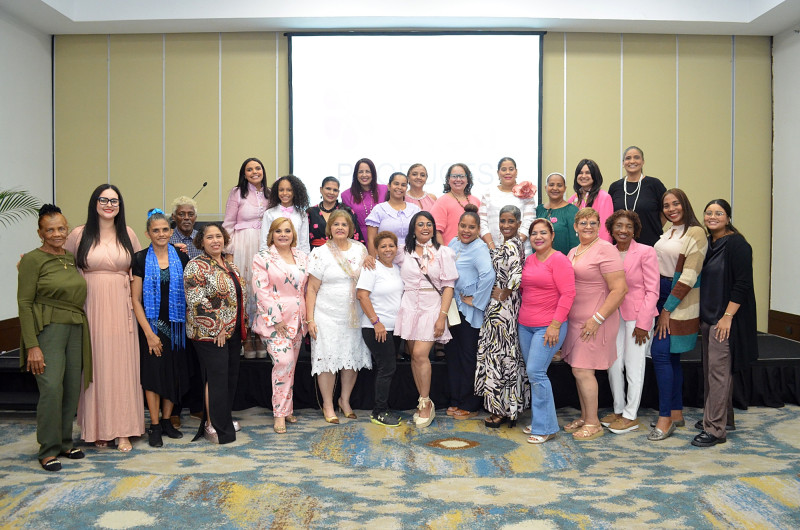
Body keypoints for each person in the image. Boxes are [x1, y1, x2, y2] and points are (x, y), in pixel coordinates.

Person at [65, 184, 142, 452]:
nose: (109, 205)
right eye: (104, 200)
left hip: (122, 307)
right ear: (94, 202)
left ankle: (123, 430)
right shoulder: (79, 234)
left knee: (122, 365)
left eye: (114, 201)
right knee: (96, 365)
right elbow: (62, 264)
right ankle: (98, 427)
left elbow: (140, 268)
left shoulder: (128, 234)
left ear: (120, 206)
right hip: (91, 306)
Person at [18, 205, 91, 471]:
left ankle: (64, 442)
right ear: (40, 233)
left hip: (75, 327)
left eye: (61, 228)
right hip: (48, 329)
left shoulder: (69, 258)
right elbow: (25, 303)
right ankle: (48, 450)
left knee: (71, 387)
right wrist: (32, 346)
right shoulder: (32, 259)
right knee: (50, 388)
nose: (57, 234)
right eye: (50, 230)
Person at [693, 199, 758, 447]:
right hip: (709, 317)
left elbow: (743, 284)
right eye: (708, 212)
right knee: (712, 372)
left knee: (718, 373)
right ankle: (724, 418)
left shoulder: (738, 244)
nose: (712, 217)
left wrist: (727, 317)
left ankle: (715, 429)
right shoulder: (709, 243)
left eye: (718, 213)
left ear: (728, 218)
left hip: (726, 320)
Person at [561, 207, 628, 441]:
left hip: (596, 320)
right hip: (576, 320)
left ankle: (593, 423)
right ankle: (585, 416)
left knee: (583, 370)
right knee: (579, 370)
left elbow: (620, 289)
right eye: (583, 223)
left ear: (599, 226)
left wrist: (597, 319)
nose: (588, 227)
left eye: (593, 223)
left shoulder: (606, 249)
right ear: (575, 226)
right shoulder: (574, 250)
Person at [650, 189, 707, 441]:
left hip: (676, 299)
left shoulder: (695, 233)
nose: (671, 209)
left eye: (676, 204)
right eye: (666, 205)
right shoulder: (669, 231)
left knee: (661, 355)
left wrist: (667, 309)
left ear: (685, 204)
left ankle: (664, 419)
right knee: (672, 358)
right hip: (660, 293)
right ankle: (676, 412)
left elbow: (689, 276)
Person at [131, 209, 190, 447]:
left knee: (173, 375)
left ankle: (167, 421)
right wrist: (149, 334)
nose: (161, 234)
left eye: (165, 229)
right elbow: (135, 300)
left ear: (171, 231)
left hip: (176, 329)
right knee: (153, 376)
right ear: (148, 233)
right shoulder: (139, 259)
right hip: (152, 327)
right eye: (156, 230)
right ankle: (154, 425)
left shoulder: (181, 257)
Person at [306, 210, 371, 423]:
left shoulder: (360, 250)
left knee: (350, 358)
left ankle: (345, 400)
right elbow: (311, 289)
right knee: (327, 360)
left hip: (354, 315)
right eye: (336, 224)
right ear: (330, 228)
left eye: (344, 224)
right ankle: (328, 404)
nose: (340, 228)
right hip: (326, 316)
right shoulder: (320, 253)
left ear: (350, 228)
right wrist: (310, 319)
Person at [394, 211, 458, 427]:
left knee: (421, 354)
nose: (425, 228)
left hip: (432, 307)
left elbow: (448, 286)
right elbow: (383, 259)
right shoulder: (403, 251)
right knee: (414, 356)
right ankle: (422, 400)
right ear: (413, 228)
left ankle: (426, 403)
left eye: (429, 224)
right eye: (420, 224)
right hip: (409, 306)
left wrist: (442, 317)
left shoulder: (443, 252)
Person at [184, 223, 247, 444]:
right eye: (209, 237)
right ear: (201, 242)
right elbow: (196, 301)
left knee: (229, 377)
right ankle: (213, 425)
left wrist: (239, 324)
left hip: (232, 331)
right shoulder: (196, 266)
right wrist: (218, 326)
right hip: (209, 332)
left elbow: (237, 297)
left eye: (218, 236)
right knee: (217, 377)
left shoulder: (229, 265)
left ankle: (222, 418)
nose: (215, 241)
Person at [600, 211, 659, 435]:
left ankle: (630, 415)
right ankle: (618, 410)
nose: (623, 230)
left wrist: (644, 323)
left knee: (635, 367)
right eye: (618, 226)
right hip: (614, 316)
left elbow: (652, 291)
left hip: (638, 317)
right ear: (611, 229)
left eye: (628, 226)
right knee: (614, 365)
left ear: (635, 230)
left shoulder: (646, 252)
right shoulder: (608, 253)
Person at [518, 218, 576, 444]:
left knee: (536, 372)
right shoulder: (529, 260)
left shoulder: (559, 260)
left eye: (543, 232)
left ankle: (546, 428)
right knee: (534, 374)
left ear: (552, 236)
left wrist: (555, 325)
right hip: (525, 326)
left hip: (549, 326)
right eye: (534, 233)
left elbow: (568, 294)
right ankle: (541, 420)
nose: (538, 237)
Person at [475, 205, 530, 428]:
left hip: (502, 310)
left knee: (499, 357)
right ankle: (509, 407)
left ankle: (499, 411)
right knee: (506, 355)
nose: (506, 225)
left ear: (519, 224)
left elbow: (517, 276)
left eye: (510, 221)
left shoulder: (511, 245)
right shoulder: (511, 244)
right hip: (505, 308)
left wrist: (505, 292)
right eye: (503, 221)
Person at [252, 218, 308, 434]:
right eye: (278, 231)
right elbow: (261, 291)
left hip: (298, 319)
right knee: (283, 363)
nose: (283, 234)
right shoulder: (262, 257)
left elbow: (305, 289)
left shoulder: (302, 257)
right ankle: (279, 414)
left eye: (287, 231)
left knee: (290, 366)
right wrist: (276, 319)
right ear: (271, 235)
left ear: (293, 234)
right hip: (274, 322)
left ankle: (287, 409)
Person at [446, 205, 495, 420]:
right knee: (453, 355)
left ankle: (470, 403)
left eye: (471, 227)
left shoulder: (479, 248)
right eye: (463, 226)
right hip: (452, 308)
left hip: (468, 311)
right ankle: (455, 399)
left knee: (468, 357)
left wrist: (475, 300)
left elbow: (488, 276)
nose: (466, 230)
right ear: (458, 226)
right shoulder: (453, 243)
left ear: (478, 229)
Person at [356, 231, 404, 427]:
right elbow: (362, 295)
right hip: (376, 327)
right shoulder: (372, 268)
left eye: (391, 245)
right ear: (376, 249)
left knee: (388, 368)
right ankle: (379, 412)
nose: (387, 249)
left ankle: (384, 407)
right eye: (383, 246)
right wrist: (376, 322)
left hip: (394, 328)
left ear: (396, 248)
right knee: (387, 368)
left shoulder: (397, 269)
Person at [222, 157, 268, 358]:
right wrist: (229, 253)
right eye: (250, 169)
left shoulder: (270, 193)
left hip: (263, 246)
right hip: (242, 246)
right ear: (244, 173)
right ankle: (247, 337)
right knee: (245, 289)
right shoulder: (237, 192)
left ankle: (260, 335)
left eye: (258, 168)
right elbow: (228, 224)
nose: (254, 172)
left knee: (261, 290)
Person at [608, 146, 668, 247]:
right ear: (623, 163)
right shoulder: (615, 187)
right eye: (628, 158)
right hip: (620, 245)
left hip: (650, 243)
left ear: (643, 161)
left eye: (636, 157)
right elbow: (610, 216)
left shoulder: (654, 184)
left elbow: (665, 211)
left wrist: (654, 227)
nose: (632, 161)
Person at [479, 157, 537, 252]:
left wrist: (511, 247)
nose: (507, 172)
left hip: (520, 250)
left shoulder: (526, 193)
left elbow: (529, 223)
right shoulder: (488, 194)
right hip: (493, 250)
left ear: (516, 172)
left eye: (511, 169)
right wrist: (493, 248)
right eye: (503, 169)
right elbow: (482, 223)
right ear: (498, 173)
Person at [366, 172, 420, 254]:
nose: (399, 187)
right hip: (385, 257)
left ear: (406, 188)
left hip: (412, 256)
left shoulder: (415, 209)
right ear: (389, 186)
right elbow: (371, 239)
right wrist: (374, 260)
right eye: (396, 184)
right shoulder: (379, 209)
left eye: (403, 185)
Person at [431, 163, 481, 246]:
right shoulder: (441, 202)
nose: (458, 179)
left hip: (474, 251)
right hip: (450, 251)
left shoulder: (476, 201)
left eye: (462, 176)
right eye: (454, 176)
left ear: (468, 180)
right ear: (448, 179)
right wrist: (445, 252)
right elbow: (436, 232)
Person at [260, 174, 311, 255]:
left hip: (296, 258)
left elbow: (304, 243)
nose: (284, 193)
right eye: (281, 190)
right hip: (274, 258)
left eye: (289, 190)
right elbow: (264, 242)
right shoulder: (269, 214)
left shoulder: (302, 214)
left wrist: (305, 259)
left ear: (295, 192)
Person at [341, 158, 387, 244]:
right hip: (359, 238)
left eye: (367, 171)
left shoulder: (385, 190)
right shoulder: (346, 195)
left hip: (383, 236)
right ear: (356, 174)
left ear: (373, 173)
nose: (364, 175)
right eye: (360, 172)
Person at [307, 176, 363, 248]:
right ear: (321, 189)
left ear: (338, 192)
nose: (331, 192)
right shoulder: (310, 212)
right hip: (316, 252)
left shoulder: (347, 212)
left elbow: (356, 239)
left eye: (335, 190)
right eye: (328, 189)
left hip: (342, 252)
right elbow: (304, 240)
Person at [568, 159, 614, 242]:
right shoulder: (572, 199)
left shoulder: (604, 197)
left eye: (588, 173)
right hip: (576, 245)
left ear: (595, 175)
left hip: (597, 246)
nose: (583, 176)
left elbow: (605, 230)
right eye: (580, 173)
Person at [535, 172, 579, 254]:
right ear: (545, 188)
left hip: (564, 259)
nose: (555, 188)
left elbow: (575, 242)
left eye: (559, 185)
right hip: (539, 259)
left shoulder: (572, 210)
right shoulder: (539, 209)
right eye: (551, 185)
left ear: (565, 188)